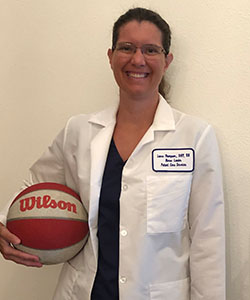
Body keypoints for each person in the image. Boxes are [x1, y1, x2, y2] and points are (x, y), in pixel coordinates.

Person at [0, 7, 225, 300]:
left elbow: (209, 242)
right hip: (84, 292)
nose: (138, 59)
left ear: (167, 61)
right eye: (127, 48)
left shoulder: (194, 137)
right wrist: (5, 224)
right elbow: (33, 188)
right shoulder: (79, 131)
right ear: (110, 56)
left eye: (151, 50)